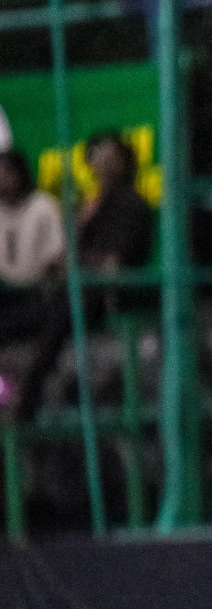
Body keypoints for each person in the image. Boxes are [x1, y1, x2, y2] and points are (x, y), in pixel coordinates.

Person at [0, 149, 67, 420]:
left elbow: (54, 260)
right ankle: (5, 391)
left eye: (5, 173)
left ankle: (20, 395)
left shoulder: (43, 206)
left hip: (38, 294)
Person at [77, 131, 154, 272]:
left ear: (123, 161)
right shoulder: (87, 204)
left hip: (120, 290)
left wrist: (77, 261)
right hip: (84, 289)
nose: (103, 162)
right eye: (96, 155)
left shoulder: (131, 204)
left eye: (110, 157)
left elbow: (114, 264)